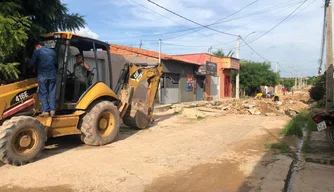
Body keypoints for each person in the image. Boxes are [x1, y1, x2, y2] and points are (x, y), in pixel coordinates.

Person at [27, 41, 57, 117]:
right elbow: (55, 63)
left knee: (43, 93)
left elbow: (32, 63)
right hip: (52, 76)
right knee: (52, 92)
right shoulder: (53, 52)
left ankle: (46, 111)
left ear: (37, 46)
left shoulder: (37, 52)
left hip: (43, 76)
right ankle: (52, 110)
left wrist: (27, 60)